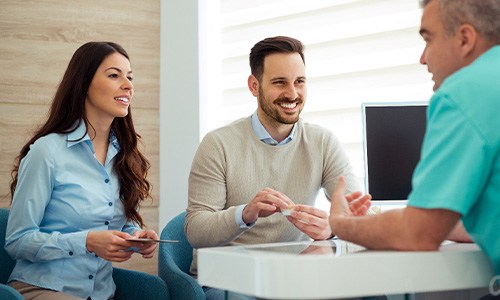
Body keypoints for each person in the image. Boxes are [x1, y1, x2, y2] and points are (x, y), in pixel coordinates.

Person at [329, 0, 500, 295]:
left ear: (465, 38)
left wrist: (340, 223)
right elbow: (462, 224)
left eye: (428, 39)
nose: (423, 58)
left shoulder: (464, 92)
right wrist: (377, 222)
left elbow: (418, 235)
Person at [185, 36, 370, 290]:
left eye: (299, 82)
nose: (292, 94)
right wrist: (245, 214)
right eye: (280, 82)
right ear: (254, 86)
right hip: (230, 281)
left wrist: (332, 229)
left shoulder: (322, 142)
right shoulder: (218, 144)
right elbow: (195, 230)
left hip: (295, 277)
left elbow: (363, 218)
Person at [5, 41, 159, 300]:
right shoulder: (47, 152)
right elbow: (17, 240)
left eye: (129, 77)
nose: (128, 85)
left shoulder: (124, 155)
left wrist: (135, 236)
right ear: (84, 83)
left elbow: (116, 222)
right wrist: (86, 241)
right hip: (42, 288)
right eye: (114, 75)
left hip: (102, 293)